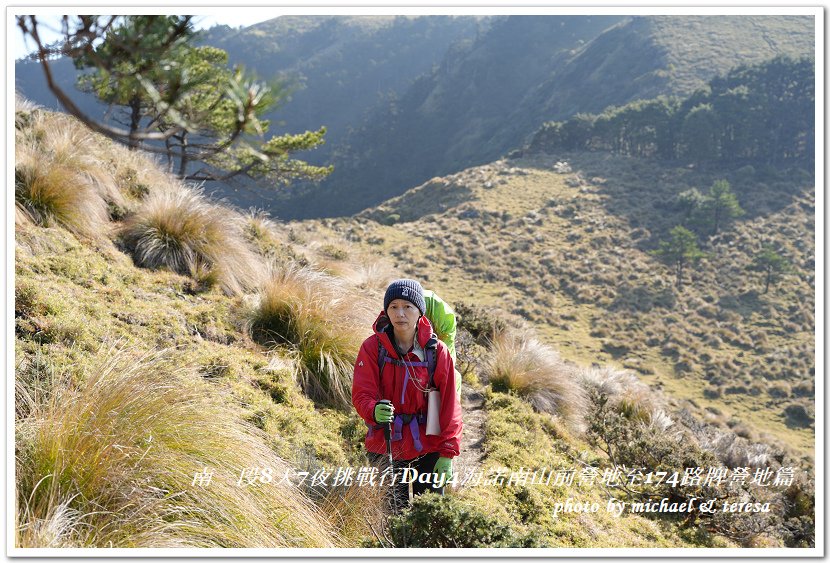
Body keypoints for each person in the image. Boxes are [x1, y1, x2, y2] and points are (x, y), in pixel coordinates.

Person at [352, 279, 463, 510]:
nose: (400, 313)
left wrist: (448, 453)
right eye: (393, 307)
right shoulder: (373, 348)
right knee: (391, 512)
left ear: (420, 312)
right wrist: (373, 410)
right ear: (386, 311)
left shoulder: (437, 351)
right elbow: (362, 393)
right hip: (386, 442)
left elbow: (450, 404)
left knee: (430, 514)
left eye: (407, 306)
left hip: (429, 446)